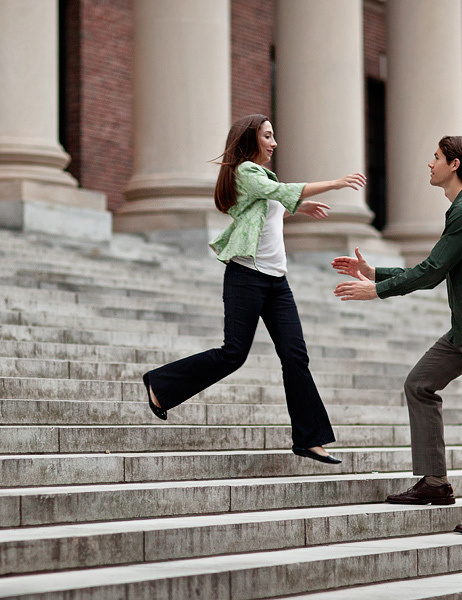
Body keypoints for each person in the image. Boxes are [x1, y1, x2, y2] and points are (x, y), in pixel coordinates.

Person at [143, 114, 367, 464]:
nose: (274, 143)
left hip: (277, 282)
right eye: (267, 136)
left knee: (295, 356)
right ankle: (160, 384)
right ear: (250, 140)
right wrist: (335, 183)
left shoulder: (259, 178)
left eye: (273, 136)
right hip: (246, 276)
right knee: (233, 354)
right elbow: (278, 193)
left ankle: (309, 439)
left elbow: (265, 211)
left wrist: (297, 208)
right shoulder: (246, 171)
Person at [332, 135, 462, 534]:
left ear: (454, 165)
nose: (429, 163)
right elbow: (435, 265)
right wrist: (374, 272)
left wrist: (376, 290)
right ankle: (435, 482)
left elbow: (433, 271)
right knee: (419, 384)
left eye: (436, 157)